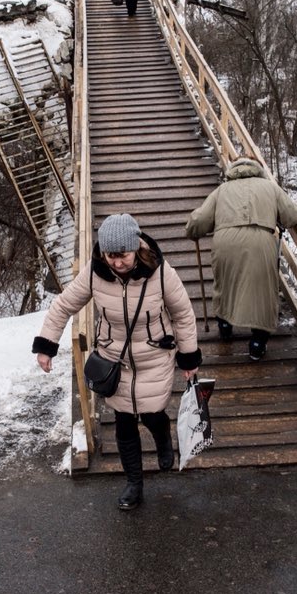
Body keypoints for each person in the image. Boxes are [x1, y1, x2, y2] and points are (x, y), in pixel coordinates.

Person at [33, 213, 201, 511]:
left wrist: (188, 357)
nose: (117, 263)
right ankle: (134, 484)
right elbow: (63, 306)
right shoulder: (95, 272)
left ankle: (162, 437)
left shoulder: (161, 272)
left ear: (136, 247)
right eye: (111, 256)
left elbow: (184, 316)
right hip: (115, 360)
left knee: (152, 414)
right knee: (124, 423)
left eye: (122, 256)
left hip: (154, 357)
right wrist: (46, 346)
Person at [185, 157, 297, 360]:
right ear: (257, 170)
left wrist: (192, 230)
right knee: (263, 290)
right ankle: (258, 343)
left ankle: (225, 324)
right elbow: (292, 215)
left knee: (225, 282)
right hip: (261, 240)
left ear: (233, 170)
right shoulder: (270, 187)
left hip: (225, 242)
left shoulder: (221, 190)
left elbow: (199, 220)